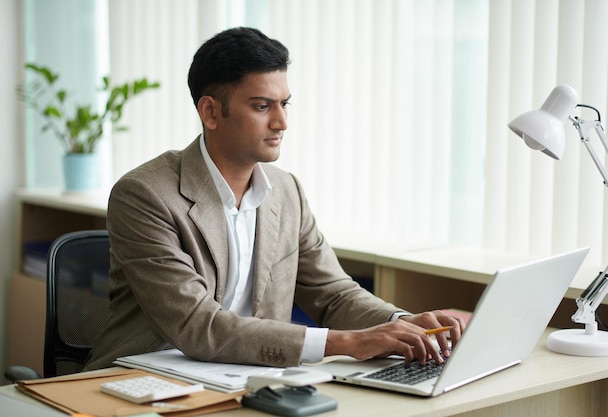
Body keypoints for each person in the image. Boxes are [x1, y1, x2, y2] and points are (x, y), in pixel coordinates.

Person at [83, 27, 465, 372]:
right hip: (144, 381)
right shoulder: (145, 194)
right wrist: (346, 343)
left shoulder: (286, 191)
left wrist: (401, 323)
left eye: (285, 104)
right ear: (211, 112)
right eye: (262, 106)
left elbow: (333, 294)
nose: (281, 122)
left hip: (251, 377)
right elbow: (198, 325)